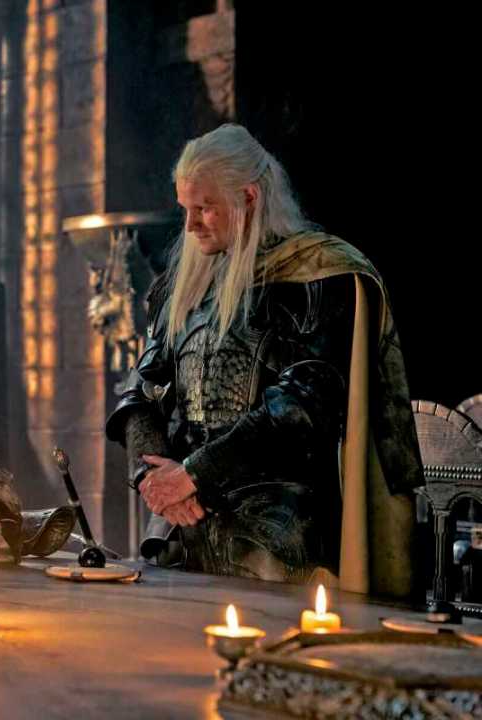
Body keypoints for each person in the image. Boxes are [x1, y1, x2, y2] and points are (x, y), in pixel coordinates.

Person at [106, 124, 422, 596]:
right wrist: (153, 476)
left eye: (203, 208)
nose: (190, 226)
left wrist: (191, 474)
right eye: (185, 209)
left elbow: (300, 405)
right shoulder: (183, 287)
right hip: (183, 533)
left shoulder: (319, 277)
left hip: (279, 537)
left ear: (249, 197)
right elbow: (140, 392)